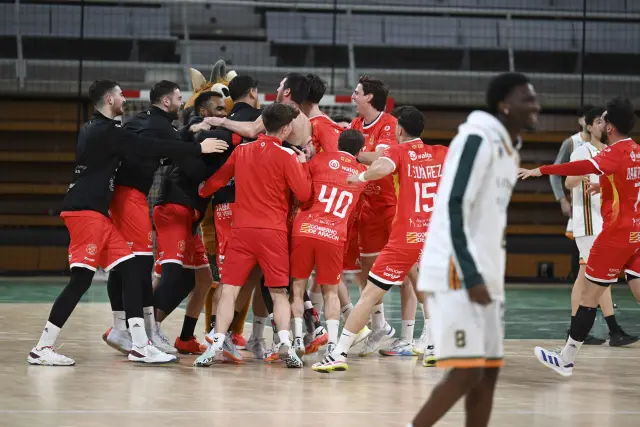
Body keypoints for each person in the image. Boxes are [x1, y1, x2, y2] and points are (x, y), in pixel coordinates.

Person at [27, 79, 226, 366]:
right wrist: (198, 148)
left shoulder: (101, 129)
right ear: (110, 99)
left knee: (133, 269)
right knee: (81, 281)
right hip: (85, 212)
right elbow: (147, 144)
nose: (125, 99)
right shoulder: (107, 132)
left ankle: (139, 344)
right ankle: (42, 347)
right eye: (121, 95)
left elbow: (146, 147)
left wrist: (186, 133)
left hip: (97, 212)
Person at [408, 72, 540, 427]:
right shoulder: (477, 139)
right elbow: (454, 205)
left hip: (486, 273)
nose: (536, 105)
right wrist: (471, 274)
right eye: (527, 98)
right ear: (504, 104)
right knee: (467, 371)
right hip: (458, 272)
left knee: (488, 371)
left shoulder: (509, 149)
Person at [312, 106, 448, 372]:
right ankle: (433, 347)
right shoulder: (441, 152)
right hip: (431, 238)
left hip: (405, 239)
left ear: (400, 129)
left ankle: (338, 353)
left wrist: (360, 176)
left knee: (368, 295)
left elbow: (383, 166)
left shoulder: (399, 151)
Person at [518, 97, 640, 377]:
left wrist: (541, 170)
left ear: (609, 127)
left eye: (604, 121)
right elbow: (629, 183)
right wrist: (604, 186)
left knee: (588, 296)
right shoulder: (636, 150)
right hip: (636, 233)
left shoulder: (613, 153)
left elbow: (576, 169)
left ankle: (566, 359)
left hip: (615, 236)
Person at [194, 103, 312, 368]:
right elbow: (304, 195)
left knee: (229, 290)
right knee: (278, 292)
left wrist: (202, 191)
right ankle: (285, 343)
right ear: (286, 128)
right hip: (273, 233)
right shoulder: (287, 156)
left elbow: (218, 180)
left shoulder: (242, 151)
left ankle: (216, 344)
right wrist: (304, 166)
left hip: (242, 232)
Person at [102, 80, 208, 356]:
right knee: (139, 264)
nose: (181, 102)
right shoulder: (161, 127)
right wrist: (206, 150)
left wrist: (188, 131)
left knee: (126, 263)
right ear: (166, 101)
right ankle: (141, 335)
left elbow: (163, 142)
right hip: (131, 196)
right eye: (178, 98)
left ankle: (124, 328)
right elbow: (191, 164)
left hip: (121, 195)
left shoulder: (142, 120)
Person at [151, 90, 234, 355]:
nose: (224, 113)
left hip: (191, 217)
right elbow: (194, 146)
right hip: (174, 209)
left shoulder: (203, 133)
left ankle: (186, 337)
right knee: (173, 275)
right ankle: (142, 331)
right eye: (219, 109)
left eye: (225, 109)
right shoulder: (202, 131)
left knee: (203, 279)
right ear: (203, 112)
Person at [563, 107, 637, 346]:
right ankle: (612, 330)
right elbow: (568, 181)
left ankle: (577, 331)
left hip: (606, 221)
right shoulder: (582, 151)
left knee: (585, 278)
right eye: (598, 122)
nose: (602, 125)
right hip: (588, 222)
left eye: (604, 122)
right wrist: (584, 173)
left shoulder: (611, 151)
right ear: (589, 126)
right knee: (600, 278)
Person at [290, 129, 367, 358]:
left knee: (297, 288)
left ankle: (297, 339)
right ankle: (333, 344)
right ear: (360, 151)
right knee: (331, 292)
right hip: (334, 235)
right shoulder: (362, 174)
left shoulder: (319, 160)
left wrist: (304, 162)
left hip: (305, 229)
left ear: (338, 143)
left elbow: (303, 191)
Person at [348, 75, 400, 355]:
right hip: (366, 205)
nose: (353, 96)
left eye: (357, 92)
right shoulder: (356, 124)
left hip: (391, 205)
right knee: (365, 269)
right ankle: (380, 326)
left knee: (409, 272)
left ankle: (414, 335)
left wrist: (354, 154)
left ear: (369, 97)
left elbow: (380, 159)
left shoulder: (389, 124)